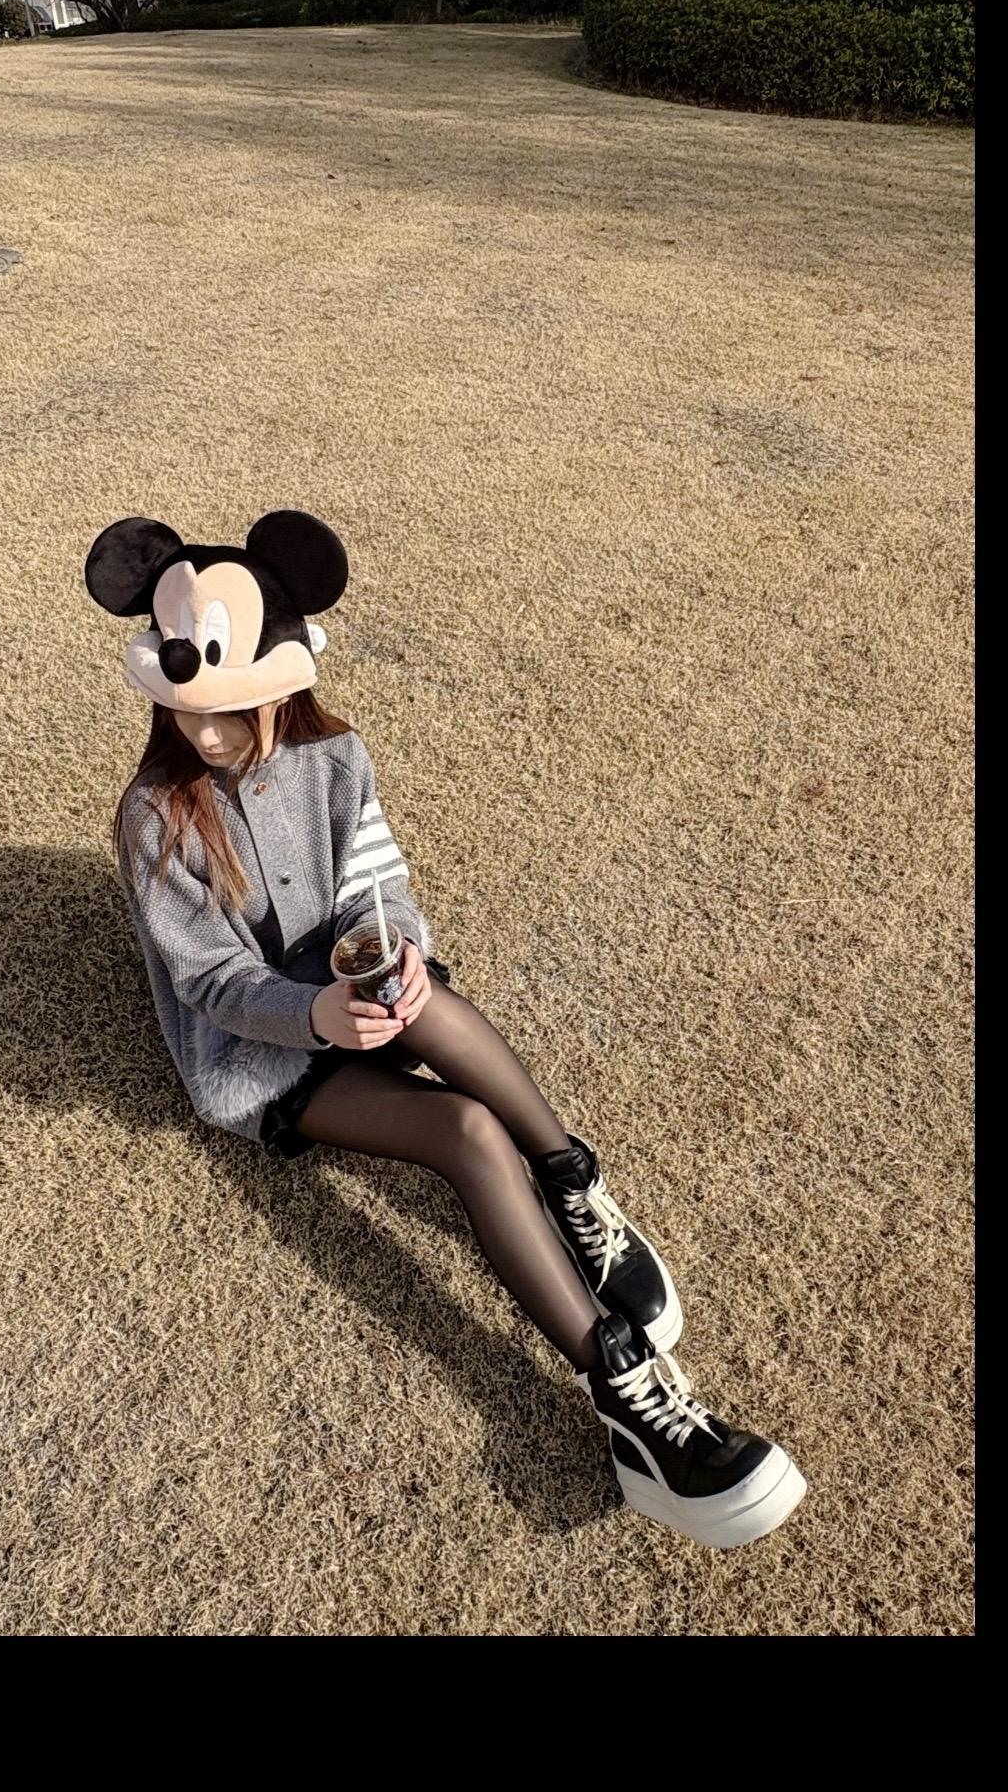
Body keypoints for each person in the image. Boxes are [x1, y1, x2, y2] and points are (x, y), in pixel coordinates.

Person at [85, 507, 806, 1549]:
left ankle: (572, 1184)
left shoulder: (338, 757)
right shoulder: (152, 814)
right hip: (257, 1052)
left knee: (436, 1006)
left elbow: (377, 881)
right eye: (189, 709)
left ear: (283, 680)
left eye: (230, 710)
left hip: (354, 978)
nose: (205, 734)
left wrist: (401, 948)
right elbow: (207, 978)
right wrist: (312, 1012)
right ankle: (632, 1403)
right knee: (465, 1130)